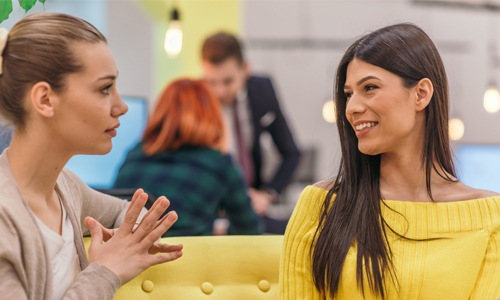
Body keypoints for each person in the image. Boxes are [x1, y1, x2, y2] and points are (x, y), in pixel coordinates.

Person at [280, 23, 500, 299]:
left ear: (421, 94)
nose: (351, 108)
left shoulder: (491, 217)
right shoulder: (320, 207)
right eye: (348, 94)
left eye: (369, 87)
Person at [0, 12, 183, 300]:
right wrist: (105, 270)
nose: (121, 106)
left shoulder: (65, 187)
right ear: (45, 99)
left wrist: (123, 243)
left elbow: (130, 214)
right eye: (105, 88)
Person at [113, 78, 262, 236]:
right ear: (211, 114)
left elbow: (114, 208)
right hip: (185, 256)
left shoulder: (136, 153)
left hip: (128, 254)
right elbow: (249, 230)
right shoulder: (219, 164)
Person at [201, 31, 301, 216]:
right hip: (207, 206)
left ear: (245, 69)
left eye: (228, 81)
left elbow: (291, 153)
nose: (220, 91)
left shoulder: (263, 90)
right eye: (211, 82)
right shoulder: (195, 98)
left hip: (251, 206)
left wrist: (267, 194)